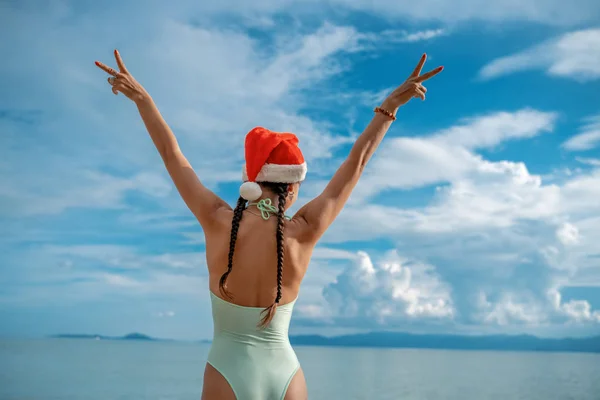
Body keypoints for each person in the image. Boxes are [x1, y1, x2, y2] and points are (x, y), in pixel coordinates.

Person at [95, 50, 443, 400]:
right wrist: (389, 108)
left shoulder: (216, 219)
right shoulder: (305, 230)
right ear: (292, 187)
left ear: (250, 178)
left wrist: (143, 100)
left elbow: (172, 156)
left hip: (226, 369)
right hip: (286, 373)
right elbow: (357, 163)